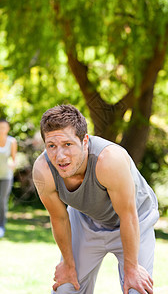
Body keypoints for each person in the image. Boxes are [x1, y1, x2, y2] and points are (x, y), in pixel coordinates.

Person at [33, 104, 159, 294]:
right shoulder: (43, 171)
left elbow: (128, 216)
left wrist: (132, 269)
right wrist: (68, 264)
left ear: (84, 141)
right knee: (66, 288)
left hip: (135, 220)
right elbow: (59, 218)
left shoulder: (108, 160)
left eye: (68, 144)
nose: (60, 156)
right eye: (52, 146)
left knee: (136, 288)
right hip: (86, 220)